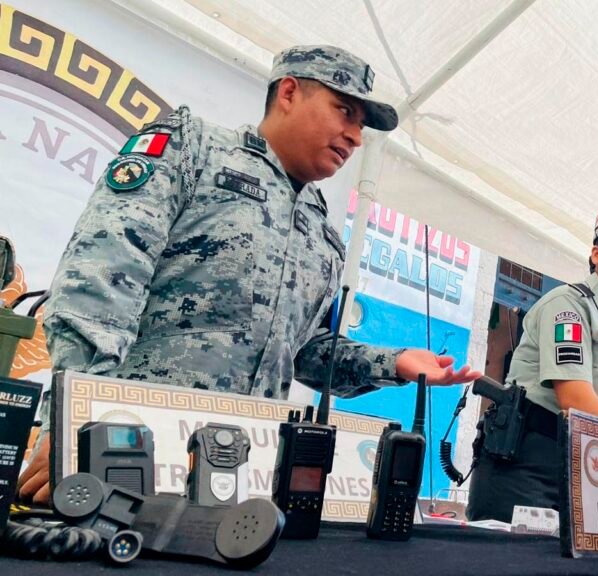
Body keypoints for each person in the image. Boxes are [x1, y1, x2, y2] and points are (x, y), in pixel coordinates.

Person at [17, 45, 481, 504]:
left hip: (233, 478)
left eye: (360, 124)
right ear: (289, 92)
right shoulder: (192, 148)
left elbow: (306, 352)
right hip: (122, 453)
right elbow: (101, 275)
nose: (356, 137)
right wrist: (82, 416)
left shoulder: (322, 232)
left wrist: (394, 362)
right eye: (344, 111)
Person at [467, 207, 598, 522]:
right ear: (596, 254)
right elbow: (575, 399)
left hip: (584, 473)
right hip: (525, 466)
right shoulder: (567, 306)